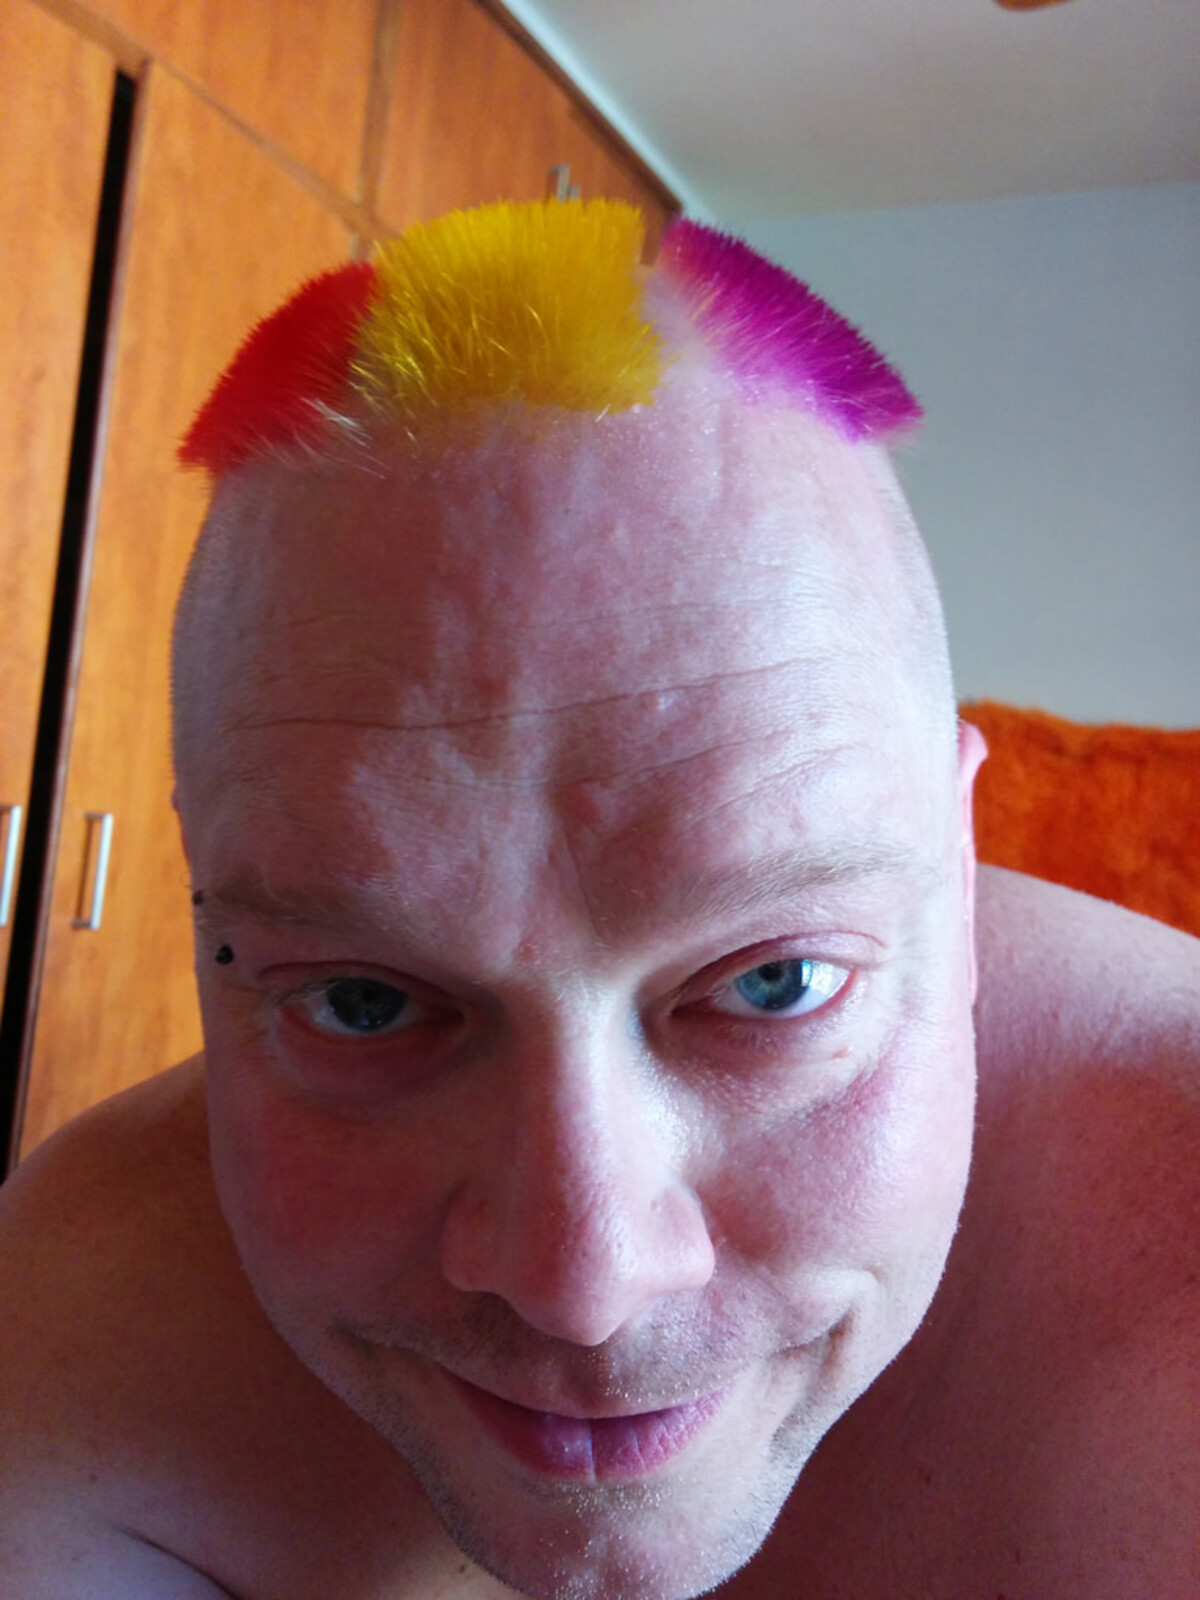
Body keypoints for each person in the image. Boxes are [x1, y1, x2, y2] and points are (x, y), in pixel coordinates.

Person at [0, 200, 1195, 1600]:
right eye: (365, 1001)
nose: (586, 1278)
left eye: (773, 984)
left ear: (959, 853)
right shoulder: (75, 1338)